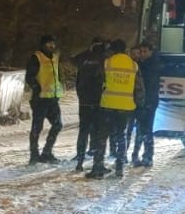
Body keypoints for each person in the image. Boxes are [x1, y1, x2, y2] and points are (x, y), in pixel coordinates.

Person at [89, 38, 142, 179]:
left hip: (108, 105)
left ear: (112, 50)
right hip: (126, 107)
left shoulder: (107, 62)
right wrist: (139, 104)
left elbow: (97, 80)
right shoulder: (133, 65)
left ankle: (98, 167)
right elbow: (139, 88)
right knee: (121, 137)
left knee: (102, 136)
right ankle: (119, 168)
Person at [23, 34, 63, 164]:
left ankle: (47, 152)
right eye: (49, 44)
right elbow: (29, 76)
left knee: (57, 125)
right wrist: (36, 87)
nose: (52, 46)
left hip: (52, 99)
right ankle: (34, 155)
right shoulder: (36, 57)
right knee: (37, 127)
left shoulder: (55, 58)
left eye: (53, 44)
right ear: (43, 45)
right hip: (40, 100)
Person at [70, 38, 107, 171]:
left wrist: (88, 51)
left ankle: (79, 161)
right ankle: (97, 163)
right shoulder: (104, 59)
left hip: (84, 100)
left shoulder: (83, 58)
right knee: (98, 132)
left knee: (83, 131)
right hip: (98, 101)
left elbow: (73, 59)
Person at [132, 41, 163, 167]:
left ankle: (147, 156)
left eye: (145, 51)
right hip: (142, 101)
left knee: (146, 129)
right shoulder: (142, 64)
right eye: (141, 52)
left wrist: (146, 103)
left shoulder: (153, 65)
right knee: (141, 129)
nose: (143, 54)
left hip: (148, 102)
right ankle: (138, 155)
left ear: (150, 52)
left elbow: (150, 86)